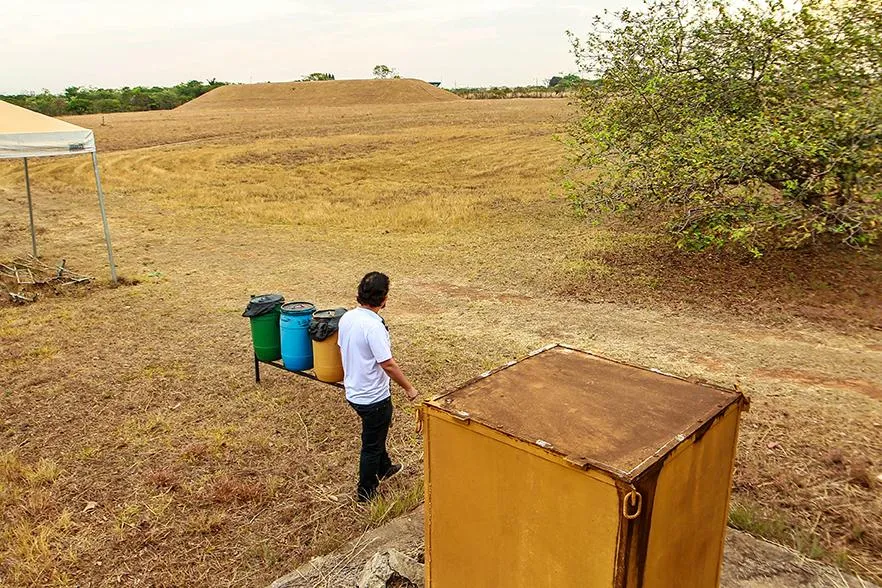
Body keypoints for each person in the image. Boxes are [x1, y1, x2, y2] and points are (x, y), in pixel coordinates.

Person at [338, 272, 418, 502]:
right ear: (384, 299)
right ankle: (366, 491)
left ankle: (385, 467)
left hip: (354, 392)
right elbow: (388, 364)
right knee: (371, 444)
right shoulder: (374, 327)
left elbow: (342, 348)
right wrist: (409, 388)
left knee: (376, 433)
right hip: (373, 398)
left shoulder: (347, 318)